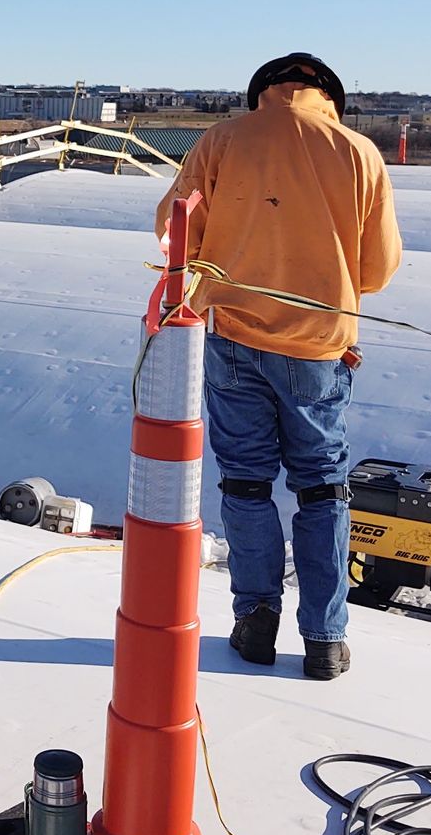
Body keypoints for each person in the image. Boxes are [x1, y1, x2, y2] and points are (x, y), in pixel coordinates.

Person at [155, 52, 400, 681]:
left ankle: (255, 615)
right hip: (318, 348)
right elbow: (376, 268)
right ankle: (325, 639)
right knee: (321, 489)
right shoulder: (358, 153)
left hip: (234, 339)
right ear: (327, 97)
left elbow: (172, 229)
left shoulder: (221, 141)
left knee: (244, 483)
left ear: (263, 93)